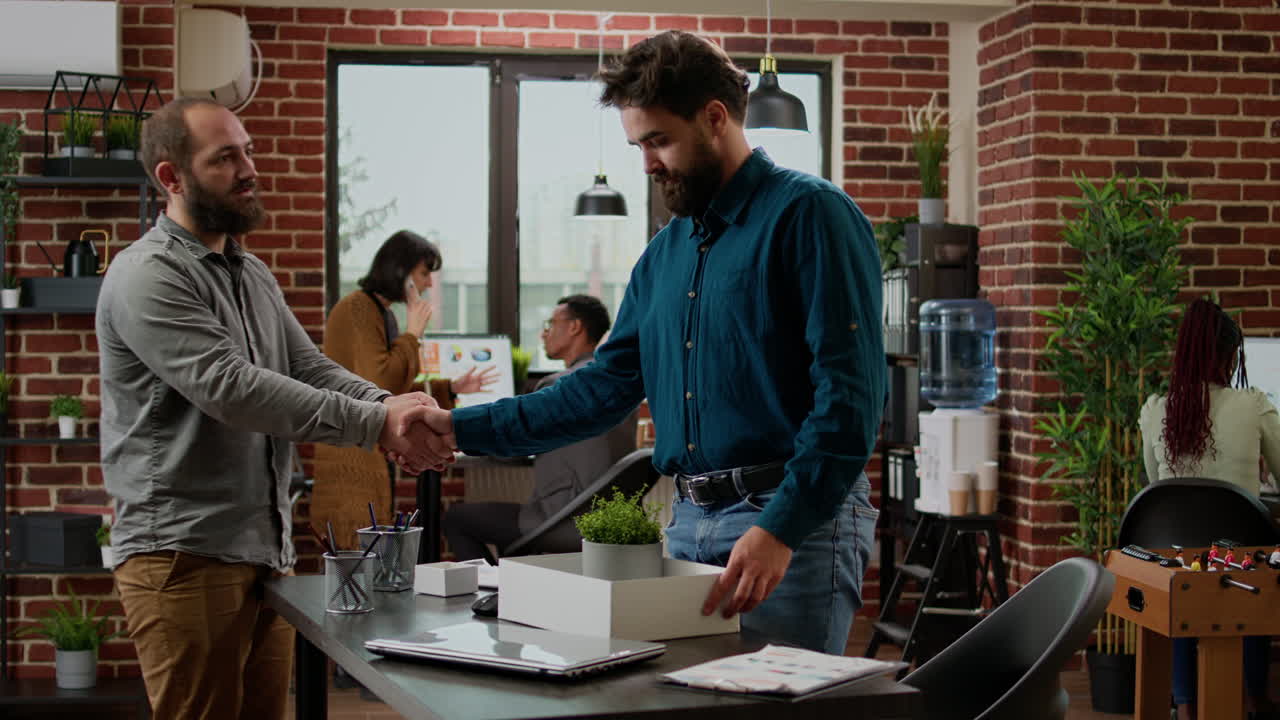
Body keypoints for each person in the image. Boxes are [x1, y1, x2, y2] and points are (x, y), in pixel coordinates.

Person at [394, 30, 884, 655]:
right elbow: (597, 390)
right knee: (680, 696)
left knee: (774, 700)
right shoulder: (662, 256)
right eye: (638, 145)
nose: (648, 164)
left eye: (659, 141)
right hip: (688, 522)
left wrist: (781, 528)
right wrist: (459, 428)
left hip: (789, 521)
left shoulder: (811, 214)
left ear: (714, 118)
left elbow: (849, 399)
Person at [97, 97, 450, 720]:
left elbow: (306, 365)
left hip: (265, 548)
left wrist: (386, 404)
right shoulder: (146, 274)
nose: (249, 169)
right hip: (184, 552)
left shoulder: (250, 271)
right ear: (171, 177)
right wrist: (380, 421)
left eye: (249, 151)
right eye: (225, 158)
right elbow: (230, 387)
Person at [1138, 298, 1277, 720]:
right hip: (1241, 566)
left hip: (1178, 572)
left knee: (1188, 565)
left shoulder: (1157, 411)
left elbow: (1157, 489)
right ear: (1229, 357)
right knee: (1252, 566)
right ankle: (1253, 699)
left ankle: (1184, 705)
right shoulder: (1253, 405)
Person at [311, 230, 497, 545]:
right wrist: (413, 333)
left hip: (364, 449)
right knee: (358, 554)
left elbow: (391, 388)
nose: (429, 284)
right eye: (424, 273)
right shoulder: (359, 308)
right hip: (351, 457)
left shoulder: (379, 311)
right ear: (402, 272)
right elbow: (380, 383)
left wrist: (451, 387)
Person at [442, 295, 638, 561]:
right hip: (616, 519)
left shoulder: (558, 386)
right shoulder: (619, 387)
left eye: (550, 324)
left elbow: (513, 450)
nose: (544, 333)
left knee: (456, 519)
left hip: (565, 521)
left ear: (574, 327)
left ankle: (495, 588)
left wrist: (468, 434)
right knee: (511, 534)